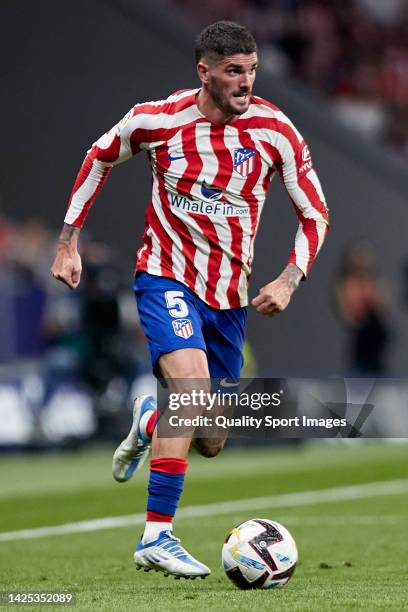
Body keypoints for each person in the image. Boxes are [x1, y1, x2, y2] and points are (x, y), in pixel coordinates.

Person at [51, 21, 329, 579]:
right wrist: (68, 241)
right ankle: (157, 535)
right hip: (166, 278)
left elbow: (315, 210)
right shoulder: (158, 120)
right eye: (233, 72)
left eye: (251, 70)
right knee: (193, 390)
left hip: (228, 299)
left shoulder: (275, 130)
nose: (245, 81)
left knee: (212, 438)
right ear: (204, 72)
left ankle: (151, 419)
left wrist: (289, 277)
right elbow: (98, 156)